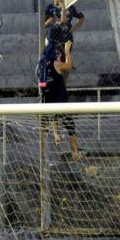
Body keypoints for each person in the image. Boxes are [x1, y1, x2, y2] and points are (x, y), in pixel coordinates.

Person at [36, 24, 81, 161]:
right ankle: (75, 152)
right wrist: (67, 52)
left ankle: (56, 135)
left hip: (48, 99)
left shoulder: (39, 66)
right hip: (61, 100)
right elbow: (69, 65)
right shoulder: (56, 64)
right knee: (70, 125)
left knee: (53, 115)